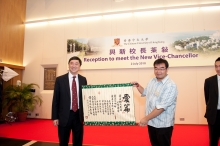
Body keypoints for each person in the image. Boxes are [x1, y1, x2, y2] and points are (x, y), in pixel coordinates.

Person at [132, 58, 178, 146]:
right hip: (152, 122)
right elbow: (145, 92)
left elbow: (161, 107)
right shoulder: (152, 81)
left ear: (167, 69)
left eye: (162, 68)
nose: (158, 71)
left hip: (163, 124)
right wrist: (138, 86)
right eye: (156, 68)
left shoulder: (170, 85)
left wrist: (146, 118)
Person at [52, 56, 87, 146]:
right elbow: (56, 99)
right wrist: (55, 117)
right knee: (63, 142)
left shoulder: (83, 79)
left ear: (79, 66)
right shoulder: (60, 80)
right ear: (68, 65)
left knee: (78, 141)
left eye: (76, 63)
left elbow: (84, 98)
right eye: (71, 63)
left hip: (78, 116)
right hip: (64, 115)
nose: (74, 65)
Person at [204, 57, 220, 146]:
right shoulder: (209, 81)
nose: (218, 69)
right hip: (214, 115)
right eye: (216, 66)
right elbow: (207, 99)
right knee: (213, 140)